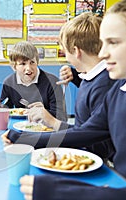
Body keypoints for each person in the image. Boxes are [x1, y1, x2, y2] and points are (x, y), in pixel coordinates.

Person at [19, 0, 126, 199]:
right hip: (115, 184)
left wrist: (65, 192)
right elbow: (88, 131)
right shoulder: (120, 92)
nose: (103, 53)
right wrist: (26, 139)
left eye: (113, 42)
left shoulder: (111, 87)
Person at [7, 12, 116, 160]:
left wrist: (29, 135)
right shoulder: (92, 78)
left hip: (102, 162)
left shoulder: (104, 85)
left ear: (76, 51)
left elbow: (93, 138)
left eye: (64, 52)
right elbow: (84, 130)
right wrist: (75, 75)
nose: (65, 57)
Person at [0, 41, 67, 121]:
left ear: (37, 62)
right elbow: (4, 111)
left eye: (32, 62)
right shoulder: (9, 83)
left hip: (47, 128)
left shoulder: (53, 82)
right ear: (14, 66)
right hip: (21, 127)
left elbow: (62, 118)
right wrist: (0, 108)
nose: (28, 68)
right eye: (23, 64)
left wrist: (44, 113)